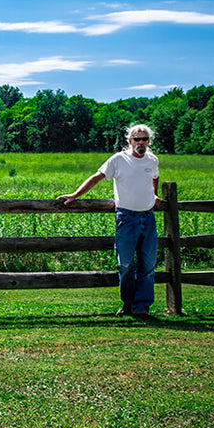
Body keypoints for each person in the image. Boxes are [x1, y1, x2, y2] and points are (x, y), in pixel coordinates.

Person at [57, 124, 162, 318]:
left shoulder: (152, 160)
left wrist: (155, 195)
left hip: (148, 217)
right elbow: (97, 177)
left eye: (144, 139)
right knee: (126, 264)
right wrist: (76, 194)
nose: (141, 142)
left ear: (149, 141)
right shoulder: (118, 160)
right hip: (127, 218)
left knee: (147, 265)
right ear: (129, 141)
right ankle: (128, 304)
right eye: (137, 139)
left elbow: (154, 178)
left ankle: (142, 307)